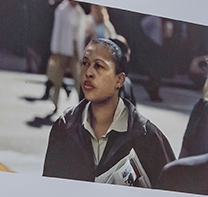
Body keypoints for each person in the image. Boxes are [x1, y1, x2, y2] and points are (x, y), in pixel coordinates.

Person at [41, 35, 175, 187]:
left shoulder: (146, 134)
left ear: (119, 80)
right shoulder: (64, 127)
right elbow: (49, 189)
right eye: (85, 63)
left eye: (99, 66)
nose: (88, 72)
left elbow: (173, 194)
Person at [43, 0, 88, 119]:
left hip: (75, 49)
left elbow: (81, 34)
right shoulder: (61, 9)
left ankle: (83, 106)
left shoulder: (80, 12)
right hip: (62, 48)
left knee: (79, 78)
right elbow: (57, 30)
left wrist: (82, 52)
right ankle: (55, 103)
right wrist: (55, 50)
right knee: (57, 77)